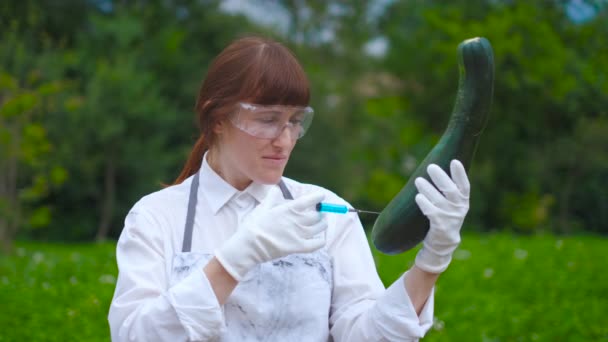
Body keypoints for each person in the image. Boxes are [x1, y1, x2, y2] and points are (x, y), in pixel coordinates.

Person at [108, 36, 470, 341]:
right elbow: (132, 334)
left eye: (295, 122)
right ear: (218, 118)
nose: (284, 140)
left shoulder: (328, 211)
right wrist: (234, 260)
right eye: (267, 120)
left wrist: (431, 262)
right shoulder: (156, 217)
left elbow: (364, 334)